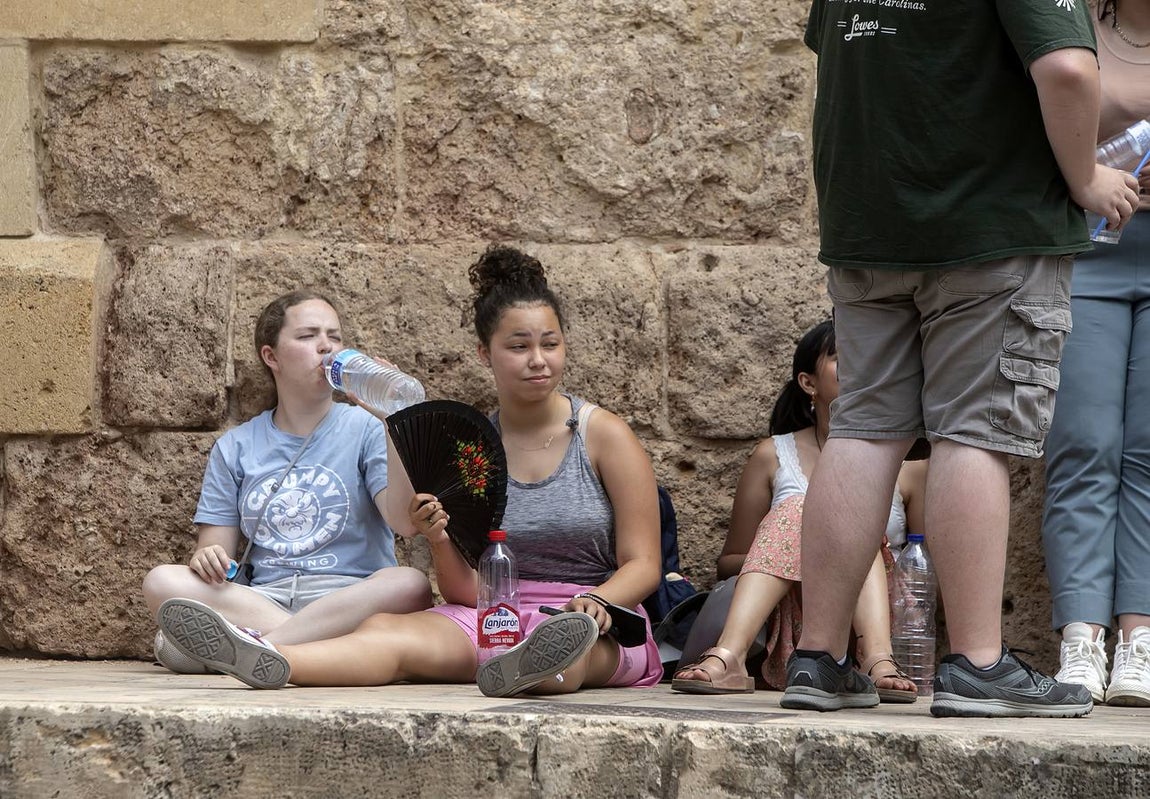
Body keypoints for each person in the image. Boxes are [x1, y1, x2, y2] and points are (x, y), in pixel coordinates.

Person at [787, 2, 1142, 717]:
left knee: (862, 427)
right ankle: (979, 661)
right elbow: (1069, 68)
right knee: (975, 429)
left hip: (870, 222)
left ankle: (818, 658)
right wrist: (1085, 180)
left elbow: (839, 58)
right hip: (989, 223)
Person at [154, 245, 665, 695]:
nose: (538, 360)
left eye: (550, 344)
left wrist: (594, 601)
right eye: (519, 346)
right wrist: (440, 539)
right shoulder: (469, 450)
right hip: (491, 615)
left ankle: (535, 665)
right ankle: (270, 659)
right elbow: (466, 591)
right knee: (386, 635)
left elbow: (643, 561)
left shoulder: (602, 434)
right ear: (484, 354)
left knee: (567, 657)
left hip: (590, 617)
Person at [142, 290, 434, 670]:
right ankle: (302, 647)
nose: (326, 346)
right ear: (271, 356)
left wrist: (393, 422)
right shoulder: (236, 447)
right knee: (162, 582)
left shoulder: (366, 428)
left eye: (334, 336)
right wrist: (208, 558)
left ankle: (255, 649)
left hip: (351, 600)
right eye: (308, 335)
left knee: (410, 585)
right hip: (265, 600)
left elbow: (405, 523)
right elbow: (215, 551)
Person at [670, 321, 925, 702]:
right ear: (808, 383)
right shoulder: (774, 455)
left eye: (868, 358)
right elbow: (728, 563)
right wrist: (803, 549)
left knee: (850, 520)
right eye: (843, 359)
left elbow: (923, 563)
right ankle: (730, 657)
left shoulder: (910, 460)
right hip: (792, 621)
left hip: (878, 613)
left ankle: (876, 658)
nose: (859, 369)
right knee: (810, 511)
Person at [1042, 0, 1150, 708]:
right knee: (1083, 443)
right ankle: (1080, 636)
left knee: (1149, 447)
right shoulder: (1069, 21)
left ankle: (1140, 638)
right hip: (1088, 251)